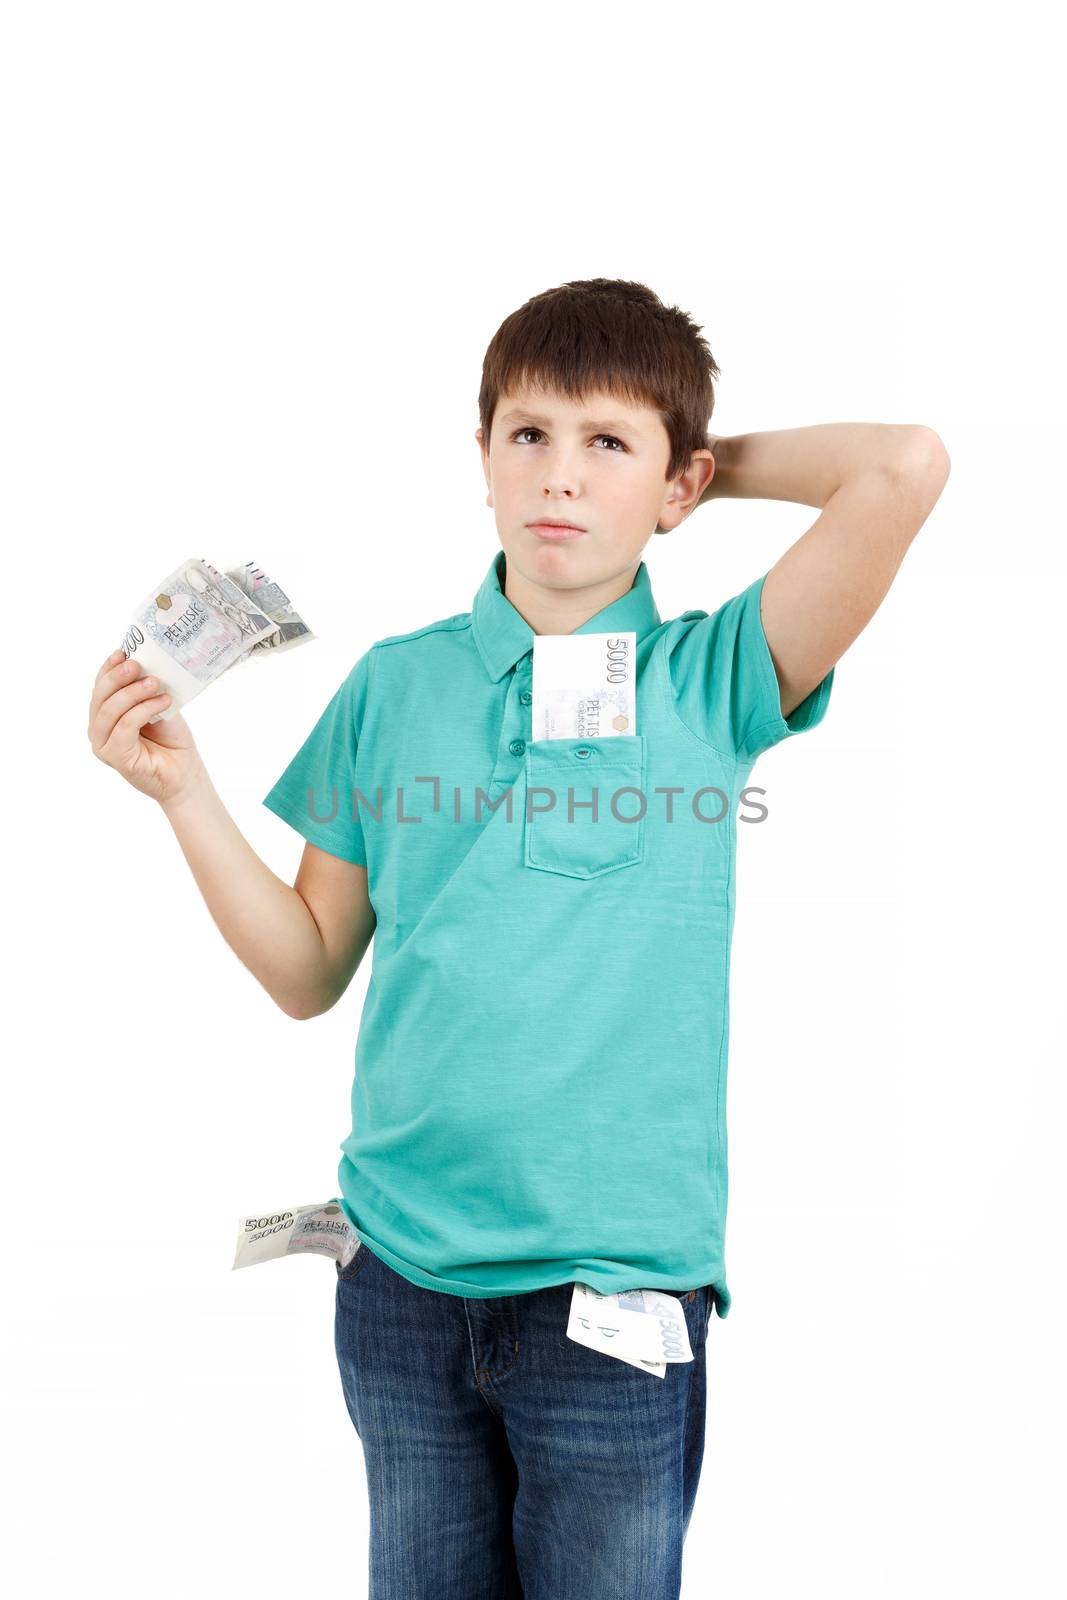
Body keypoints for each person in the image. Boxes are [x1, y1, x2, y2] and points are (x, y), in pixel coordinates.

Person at [87, 277, 950, 1599]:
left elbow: (905, 467)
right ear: (483, 460)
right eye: (529, 437)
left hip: (612, 1301)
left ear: (678, 483)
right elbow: (309, 969)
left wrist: (693, 468)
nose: (561, 476)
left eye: (608, 444)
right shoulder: (396, 684)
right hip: (400, 1285)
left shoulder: (713, 678)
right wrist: (182, 793)